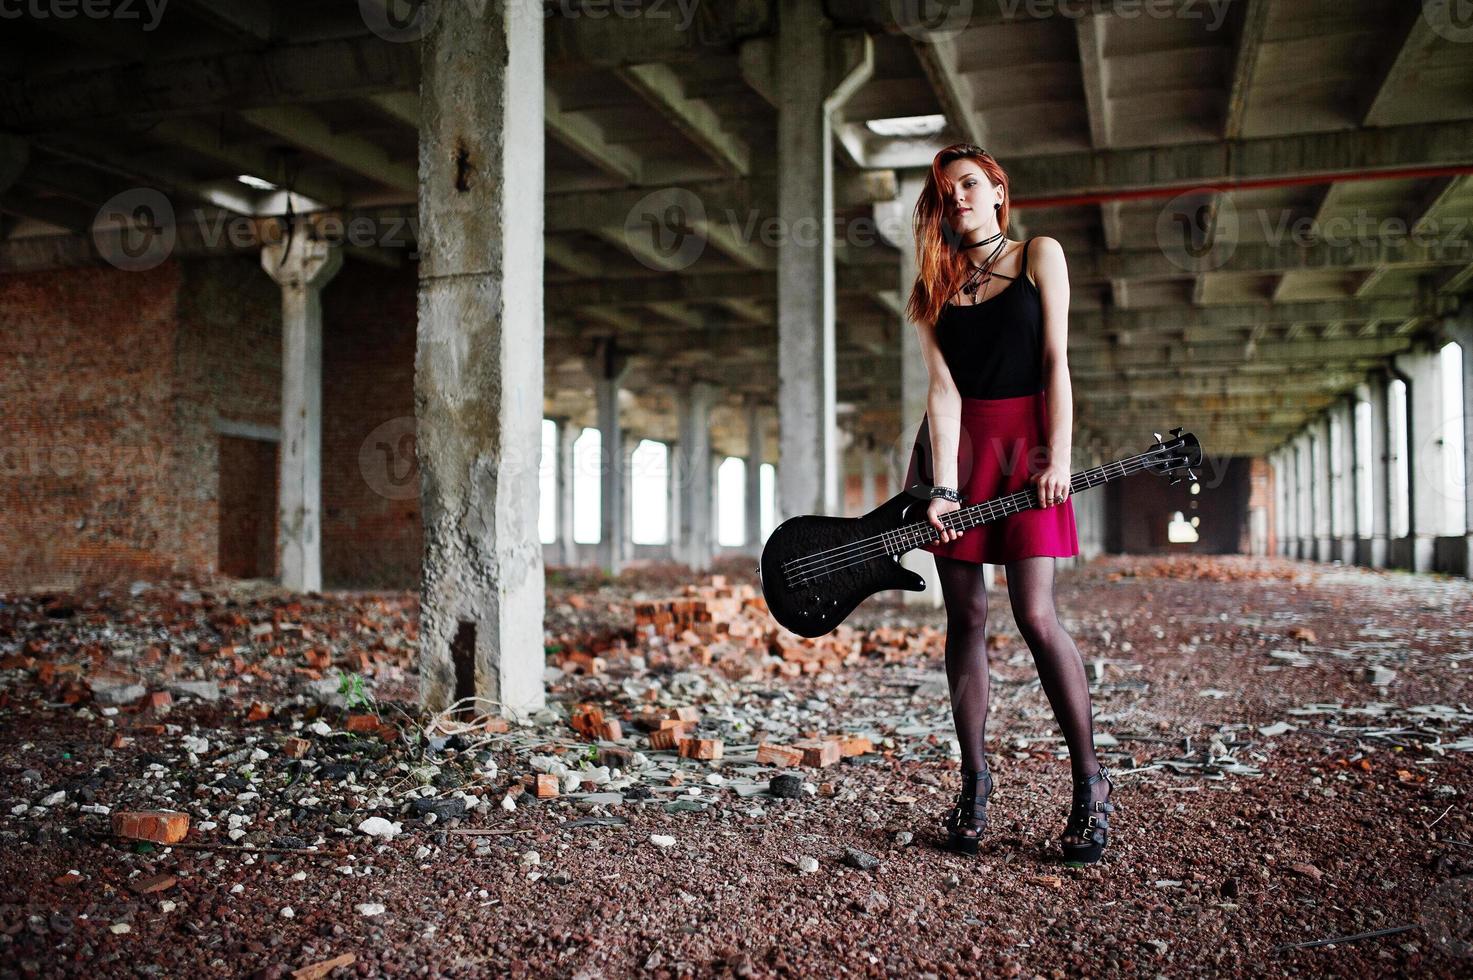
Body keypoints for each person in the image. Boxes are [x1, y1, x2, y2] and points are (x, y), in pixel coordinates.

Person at [901, 143, 1115, 864]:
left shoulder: (1037, 254)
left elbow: (1056, 359)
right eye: (944, 190)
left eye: (968, 183)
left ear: (995, 189)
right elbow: (942, 392)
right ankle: (972, 782)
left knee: (1033, 613)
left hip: (1026, 441)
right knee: (963, 615)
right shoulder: (932, 281)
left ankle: (1089, 785)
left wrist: (1057, 451)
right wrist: (938, 486)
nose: (956, 196)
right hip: (958, 450)